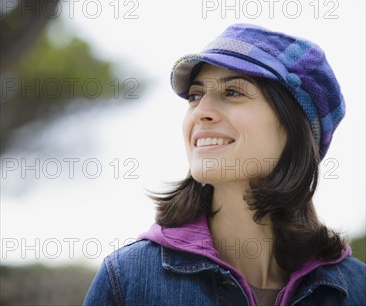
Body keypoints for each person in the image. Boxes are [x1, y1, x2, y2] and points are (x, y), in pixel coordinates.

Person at [84, 23, 366, 305]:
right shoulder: (127, 279)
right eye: (195, 96)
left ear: (294, 126)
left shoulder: (357, 287)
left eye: (233, 92)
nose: (201, 112)